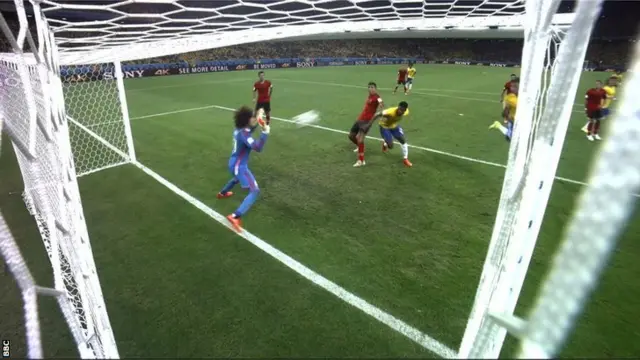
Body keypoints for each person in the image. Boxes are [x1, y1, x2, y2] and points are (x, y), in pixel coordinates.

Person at [217, 107, 270, 232]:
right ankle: (235, 216)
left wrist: (258, 116)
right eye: (252, 117)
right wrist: (265, 133)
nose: (254, 118)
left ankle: (222, 193)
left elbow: (251, 128)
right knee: (255, 191)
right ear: (247, 120)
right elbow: (257, 147)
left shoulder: (239, 129)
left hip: (233, 163)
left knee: (236, 179)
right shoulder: (244, 134)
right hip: (239, 166)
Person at [348, 82, 383, 167]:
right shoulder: (369, 96)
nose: (370, 89)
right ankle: (360, 147)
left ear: (375, 88)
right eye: (369, 87)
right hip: (360, 119)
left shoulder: (377, 97)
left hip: (367, 121)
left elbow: (381, 103)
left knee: (360, 139)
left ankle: (361, 161)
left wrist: (380, 107)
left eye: (372, 87)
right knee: (351, 136)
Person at [373, 101, 412, 167]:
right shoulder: (390, 111)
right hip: (384, 126)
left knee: (403, 140)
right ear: (398, 107)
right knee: (390, 146)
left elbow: (405, 111)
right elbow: (377, 114)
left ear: (405, 110)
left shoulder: (406, 111)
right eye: (400, 109)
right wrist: (369, 123)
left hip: (394, 126)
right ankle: (385, 143)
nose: (400, 111)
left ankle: (405, 159)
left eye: (403, 110)